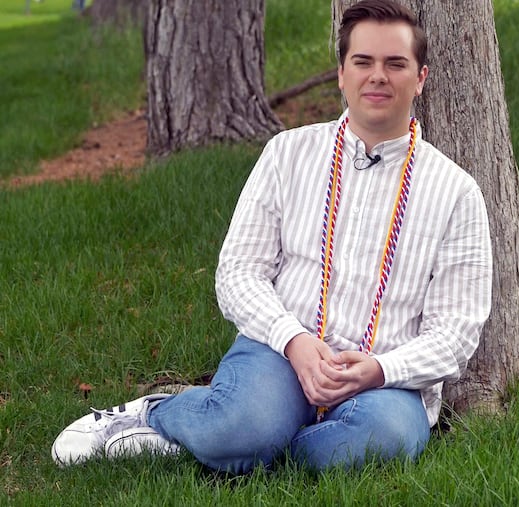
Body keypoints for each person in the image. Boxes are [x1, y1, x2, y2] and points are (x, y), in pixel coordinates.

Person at [52, 0, 493, 475]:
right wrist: (295, 342)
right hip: (281, 353)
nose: (378, 76)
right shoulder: (288, 154)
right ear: (342, 74)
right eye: (363, 62)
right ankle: (161, 414)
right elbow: (238, 273)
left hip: (385, 380)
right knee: (244, 428)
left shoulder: (456, 192)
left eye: (395, 64)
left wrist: (380, 370)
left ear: (421, 78)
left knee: (379, 443)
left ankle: (244, 442)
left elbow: (456, 332)